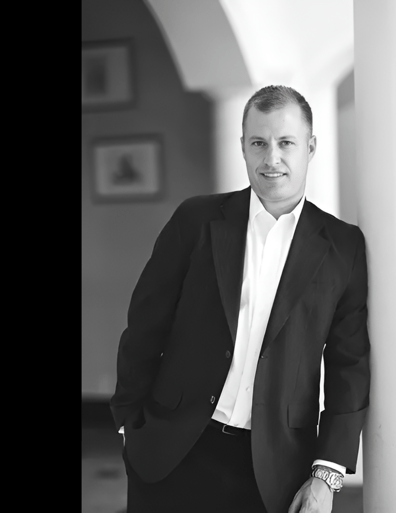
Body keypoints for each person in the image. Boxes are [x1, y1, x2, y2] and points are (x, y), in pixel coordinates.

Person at [110, 85, 370, 513]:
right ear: (243, 147)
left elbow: (350, 365)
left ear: (310, 147)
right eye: (258, 143)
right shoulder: (195, 220)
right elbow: (145, 326)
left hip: (275, 471)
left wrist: (327, 474)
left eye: (286, 143)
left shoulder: (344, 247)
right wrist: (128, 425)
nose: (271, 158)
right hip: (172, 454)